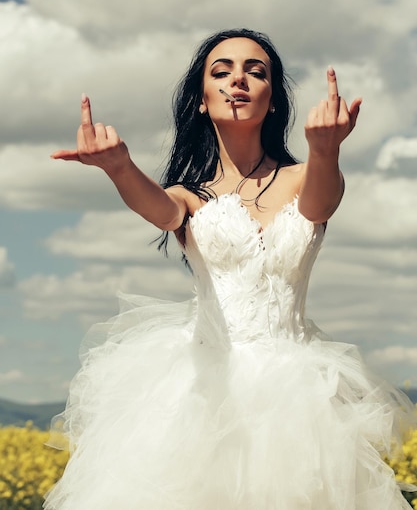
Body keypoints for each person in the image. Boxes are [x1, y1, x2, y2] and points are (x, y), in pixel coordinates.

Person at [45, 29, 415, 510]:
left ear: (274, 101)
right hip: (203, 394)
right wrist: (119, 166)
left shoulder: (307, 176)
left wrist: (326, 148)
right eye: (221, 71)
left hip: (300, 396)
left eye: (255, 71)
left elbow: (321, 204)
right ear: (201, 100)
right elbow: (160, 210)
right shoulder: (187, 195)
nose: (238, 79)